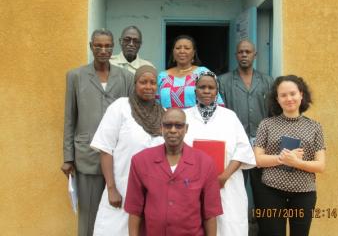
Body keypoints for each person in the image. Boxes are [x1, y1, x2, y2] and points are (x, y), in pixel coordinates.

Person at [61, 28, 134, 236]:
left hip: (118, 156)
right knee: (88, 214)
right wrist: (68, 157)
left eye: (108, 46)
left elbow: (131, 114)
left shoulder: (126, 77)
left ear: (113, 47)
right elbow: (69, 118)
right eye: (98, 45)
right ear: (91, 46)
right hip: (87, 155)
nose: (103, 50)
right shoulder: (75, 76)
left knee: (117, 213)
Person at [89, 65, 165, 236]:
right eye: (143, 82)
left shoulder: (164, 114)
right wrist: (111, 188)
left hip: (152, 194)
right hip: (122, 189)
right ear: (134, 84)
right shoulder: (120, 107)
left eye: (152, 83)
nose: (148, 87)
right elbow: (105, 149)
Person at [125, 108, 223, 236]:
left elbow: (210, 213)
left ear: (186, 129)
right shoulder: (141, 161)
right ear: (161, 128)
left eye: (178, 125)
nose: (173, 130)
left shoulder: (205, 163)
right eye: (168, 125)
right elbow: (134, 209)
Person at [183, 71, 256, 236]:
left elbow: (243, 149)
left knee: (229, 225)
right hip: (191, 184)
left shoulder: (230, 117)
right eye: (202, 87)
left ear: (217, 91)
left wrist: (223, 177)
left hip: (226, 183)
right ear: (195, 91)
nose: (207, 91)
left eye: (211, 87)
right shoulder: (184, 117)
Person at [254, 75, 326, 236]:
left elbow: (320, 165)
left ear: (301, 94)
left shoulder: (315, 127)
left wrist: (296, 162)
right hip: (270, 192)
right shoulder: (266, 124)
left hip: (304, 193)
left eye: (293, 93)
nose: (289, 98)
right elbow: (257, 159)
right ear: (277, 99)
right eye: (283, 95)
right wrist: (281, 158)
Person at [218, 39, 273, 235]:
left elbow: (273, 114)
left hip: (262, 146)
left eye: (248, 52)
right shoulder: (223, 81)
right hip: (235, 148)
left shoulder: (267, 81)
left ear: (254, 55)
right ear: (235, 55)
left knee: (263, 192)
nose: (244, 55)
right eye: (240, 52)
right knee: (235, 193)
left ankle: (262, 229)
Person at [158, 34, 223, 108]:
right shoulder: (162, 76)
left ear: (194, 52)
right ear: (173, 52)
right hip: (169, 119)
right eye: (178, 48)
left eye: (187, 48)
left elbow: (216, 101)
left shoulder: (203, 73)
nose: (182, 51)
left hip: (198, 119)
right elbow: (155, 104)